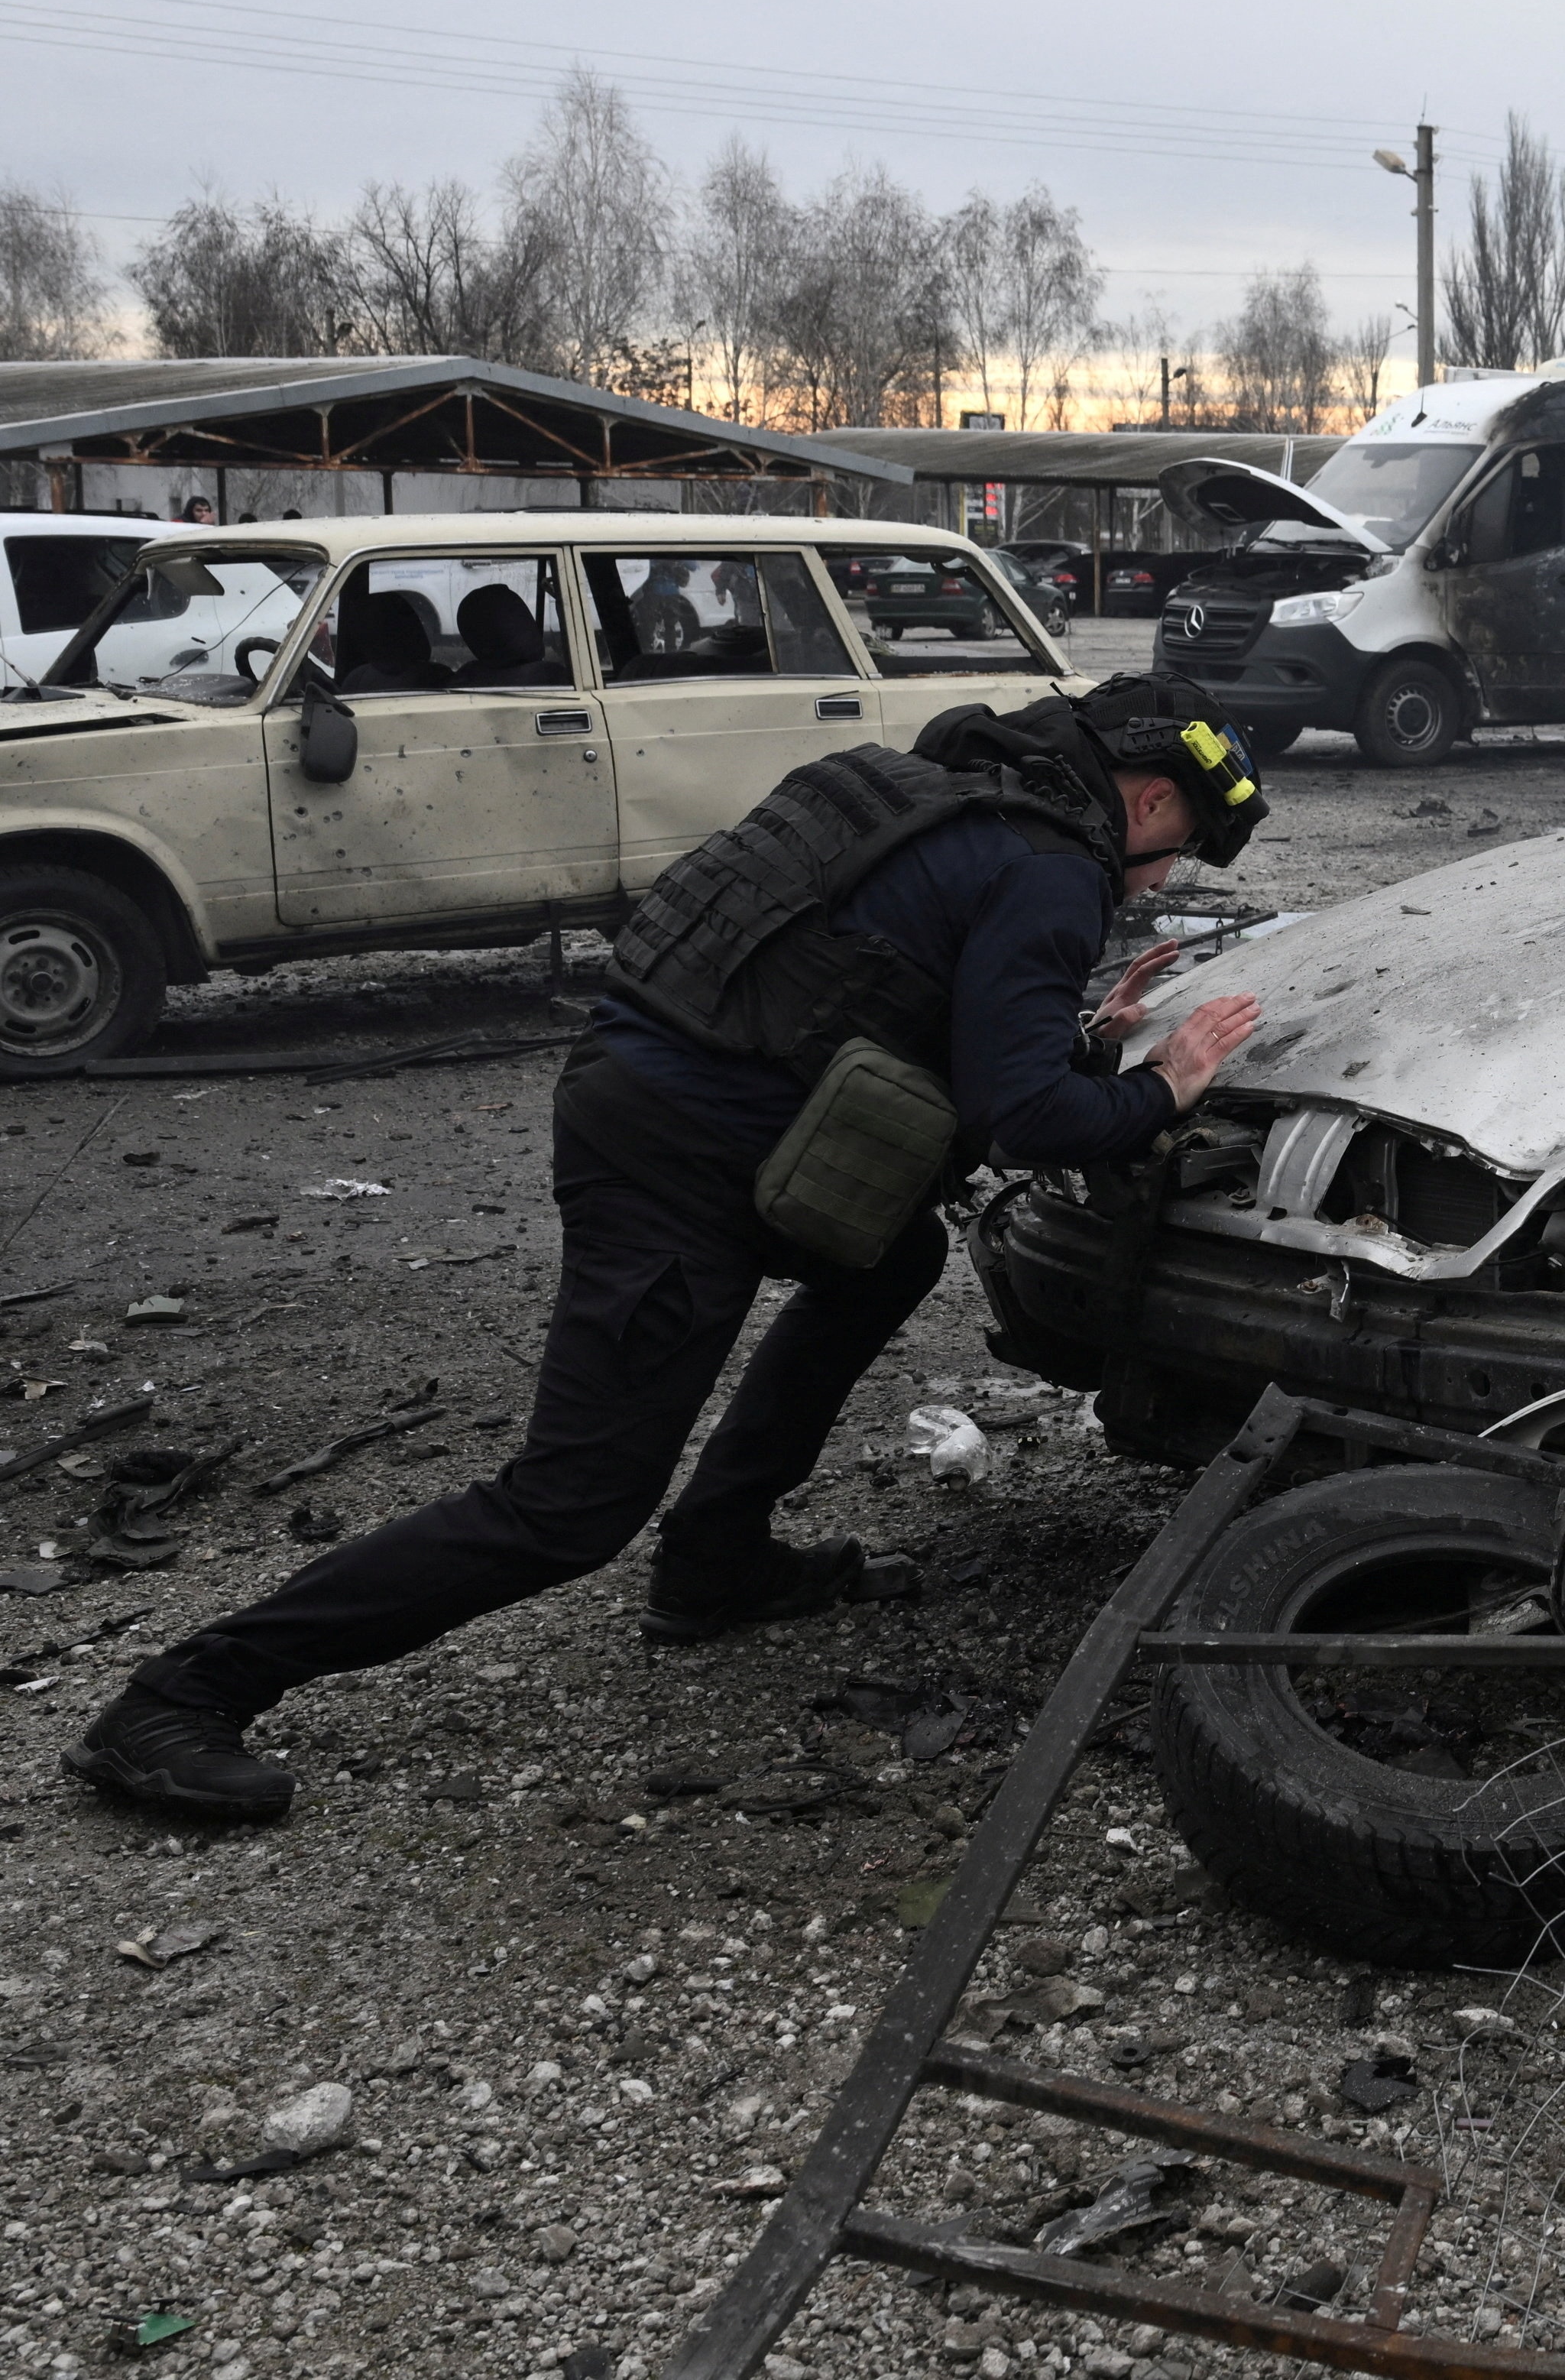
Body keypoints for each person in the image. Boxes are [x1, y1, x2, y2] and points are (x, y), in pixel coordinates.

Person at [67, 678, 1272, 1821]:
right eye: (1168, 859)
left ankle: (718, 1563)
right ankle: (180, 1694)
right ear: (1153, 798)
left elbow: (876, 988)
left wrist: (1074, 1034)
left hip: (670, 1093)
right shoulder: (1055, 862)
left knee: (888, 1257)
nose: (1149, 884)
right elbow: (1031, 1121)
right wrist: (1164, 1080)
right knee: (570, 1503)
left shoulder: (931, 789)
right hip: (678, 1161)